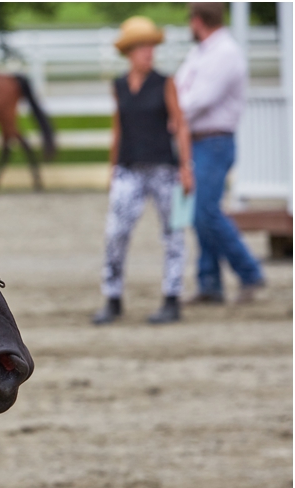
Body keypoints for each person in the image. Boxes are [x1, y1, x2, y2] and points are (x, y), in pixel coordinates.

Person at [92, 16, 193, 325]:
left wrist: (186, 167)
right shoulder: (119, 86)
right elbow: (118, 129)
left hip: (165, 169)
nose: (149, 52)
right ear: (130, 52)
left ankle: (172, 297)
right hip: (129, 168)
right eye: (142, 47)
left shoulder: (166, 84)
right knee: (115, 233)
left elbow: (180, 126)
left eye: (151, 47)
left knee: (174, 233)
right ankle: (112, 297)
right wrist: (113, 168)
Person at [175, 2, 265, 305]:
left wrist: (171, 111)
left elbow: (197, 98)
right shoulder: (204, 52)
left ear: (198, 20)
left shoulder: (224, 53)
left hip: (214, 141)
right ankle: (209, 281)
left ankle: (249, 271)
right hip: (200, 141)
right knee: (201, 213)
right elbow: (179, 87)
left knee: (207, 212)